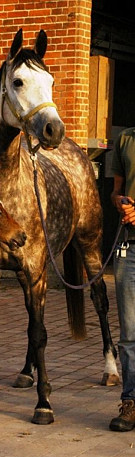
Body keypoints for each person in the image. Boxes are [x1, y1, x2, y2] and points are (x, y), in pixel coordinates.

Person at [110, 126, 135, 431]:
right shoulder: (126, 139)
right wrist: (119, 202)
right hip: (128, 247)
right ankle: (130, 401)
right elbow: (116, 190)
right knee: (129, 335)